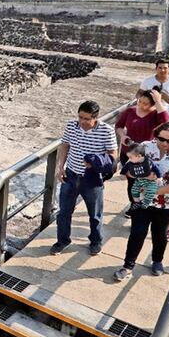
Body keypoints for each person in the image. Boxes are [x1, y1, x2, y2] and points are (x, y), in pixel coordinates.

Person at [113, 122, 169, 281]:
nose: (164, 143)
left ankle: (157, 260)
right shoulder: (145, 147)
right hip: (142, 201)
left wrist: (154, 190)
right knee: (137, 232)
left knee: (159, 233)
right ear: (155, 135)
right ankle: (128, 265)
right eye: (161, 139)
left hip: (167, 204)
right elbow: (128, 169)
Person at [50, 101, 118, 256]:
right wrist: (60, 167)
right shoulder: (71, 126)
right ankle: (62, 241)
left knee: (95, 214)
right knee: (64, 212)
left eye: (87, 119)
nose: (82, 122)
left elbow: (113, 155)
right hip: (71, 175)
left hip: (92, 179)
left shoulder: (106, 131)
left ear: (95, 118)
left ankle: (95, 241)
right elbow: (65, 145)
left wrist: (96, 163)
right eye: (80, 117)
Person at [115, 89, 169, 214]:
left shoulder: (156, 114)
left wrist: (158, 101)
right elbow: (118, 126)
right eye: (140, 101)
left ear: (153, 105)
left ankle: (142, 205)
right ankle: (134, 205)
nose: (141, 105)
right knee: (132, 181)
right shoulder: (130, 111)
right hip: (128, 152)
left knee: (143, 181)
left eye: (146, 103)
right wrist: (123, 135)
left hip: (145, 155)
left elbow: (167, 121)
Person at [120, 143, 161, 209]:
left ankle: (146, 203)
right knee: (134, 190)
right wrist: (122, 173)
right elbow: (125, 168)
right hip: (138, 181)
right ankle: (137, 202)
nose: (129, 159)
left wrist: (159, 177)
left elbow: (156, 169)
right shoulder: (131, 163)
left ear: (139, 156)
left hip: (150, 182)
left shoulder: (148, 162)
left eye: (130, 157)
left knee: (151, 192)